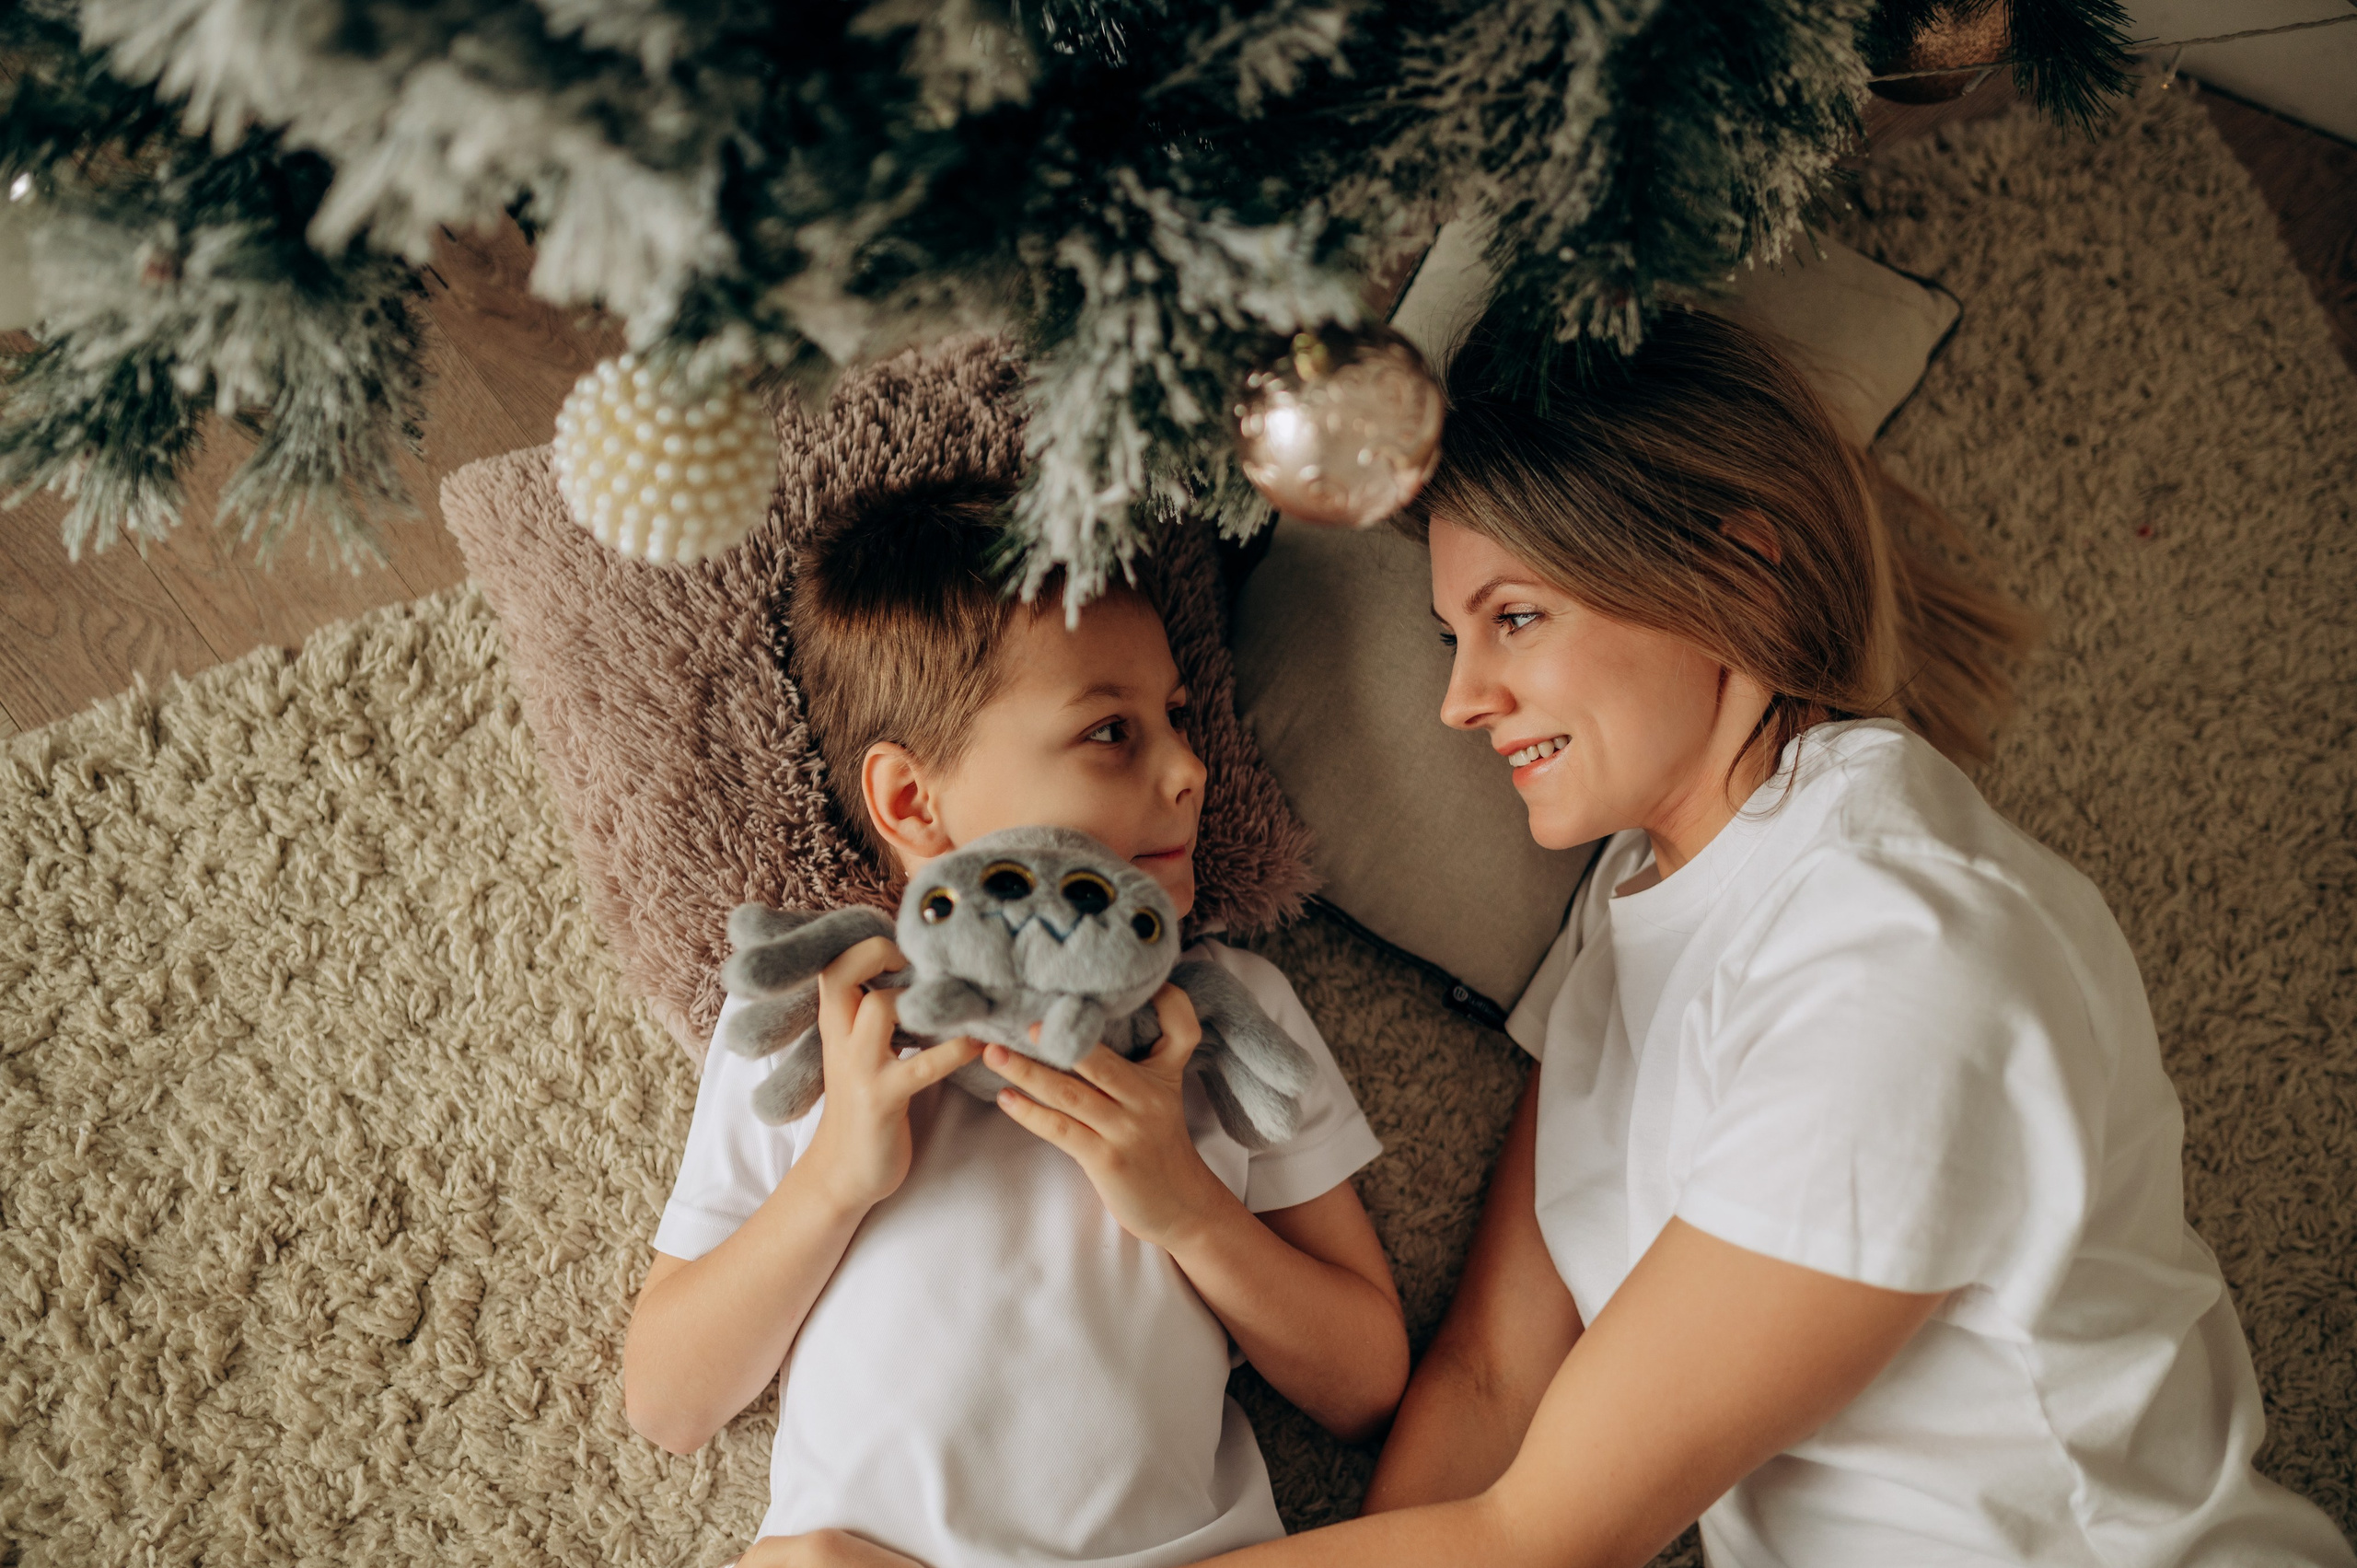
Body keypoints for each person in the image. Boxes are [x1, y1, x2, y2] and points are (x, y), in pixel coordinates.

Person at [739, 305, 2357, 1568]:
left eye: (1516, 618)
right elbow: (1489, 1390)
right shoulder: (1635, 912)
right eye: (1455, 632)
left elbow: (1543, 1533)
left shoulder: (1899, 953)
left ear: (1733, 559)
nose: (1462, 698)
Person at [620, 481, 1408, 1568]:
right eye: (1110, 731)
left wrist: (1186, 1206)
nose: (1189, 769)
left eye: (1177, 718)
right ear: (912, 803)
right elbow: (667, 1401)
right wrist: (835, 1177)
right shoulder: (825, 1016)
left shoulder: (1222, 1015)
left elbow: (1366, 1386)